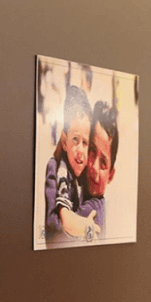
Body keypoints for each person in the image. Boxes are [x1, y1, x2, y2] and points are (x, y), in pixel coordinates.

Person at [51, 100, 119, 242]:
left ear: (111, 176)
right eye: (92, 150)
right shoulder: (80, 186)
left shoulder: (93, 210)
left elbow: (60, 226)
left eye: (103, 163)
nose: (94, 167)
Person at [44, 86, 94, 240]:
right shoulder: (58, 169)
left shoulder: (85, 172)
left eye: (85, 143)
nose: (80, 150)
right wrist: (86, 225)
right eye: (75, 139)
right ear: (64, 141)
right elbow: (59, 221)